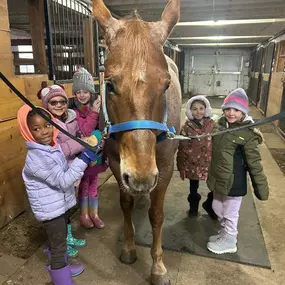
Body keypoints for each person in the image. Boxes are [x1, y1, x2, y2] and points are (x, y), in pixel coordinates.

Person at [17, 104, 99, 284]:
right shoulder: (36, 157)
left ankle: (63, 267)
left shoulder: (51, 148)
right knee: (58, 246)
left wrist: (85, 155)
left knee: (60, 241)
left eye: (47, 125)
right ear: (27, 132)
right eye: (36, 129)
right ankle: (61, 279)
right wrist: (83, 159)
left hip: (58, 204)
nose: (45, 132)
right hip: (50, 210)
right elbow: (63, 180)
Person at [206, 88, 269, 254]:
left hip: (234, 182)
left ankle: (230, 239)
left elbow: (255, 164)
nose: (231, 113)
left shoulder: (248, 135)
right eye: (227, 109)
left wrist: (261, 188)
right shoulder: (220, 126)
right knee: (217, 207)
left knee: (230, 212)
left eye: (236, 110)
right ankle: (224, 232)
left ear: (243, 112)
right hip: (219, 178)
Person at [38, 84, 86, 258]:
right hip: (57, 172)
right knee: (59, 211)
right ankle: (61, 243)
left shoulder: (71, 119)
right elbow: (60, 149)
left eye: (62, 101)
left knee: (68, 207)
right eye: (53, 102)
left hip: (72, 170)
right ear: (46, 105)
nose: (59, 105)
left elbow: (79, 136)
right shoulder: (46, 124)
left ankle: (69, 237)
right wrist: (84, 143)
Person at [69, 67, 106, 229]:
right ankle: (84, 214)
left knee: (93, 183)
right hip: (82, 155)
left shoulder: (98, 106)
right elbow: (84, 131)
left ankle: (94, 213)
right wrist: (94, 113)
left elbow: (103, 128)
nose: (82, 95)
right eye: (78, 92)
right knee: (83, 183)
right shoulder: (73, 111)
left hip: (96, 154)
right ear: (74, 94)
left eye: (85, 91)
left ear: (91, 92)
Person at [177, 95, 217, 218]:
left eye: (201, 108)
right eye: (194, 109)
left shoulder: (213, 125)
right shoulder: (186, 127)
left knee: (214, 187)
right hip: (192, 164)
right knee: (193, 188)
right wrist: (182, 167)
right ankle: (193, 207)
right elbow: (182, 148)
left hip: (209, 162)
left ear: (206, 109)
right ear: (190, 110)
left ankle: (210, 205)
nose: (198, 112)